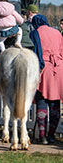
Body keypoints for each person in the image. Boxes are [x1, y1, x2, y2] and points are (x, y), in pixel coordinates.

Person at [30, 14, 63, 144]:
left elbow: (34, 51)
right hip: (59, 69)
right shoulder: (57, 33)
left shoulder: (35, 33)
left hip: (43, 69)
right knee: (55, 105)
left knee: (41, 102)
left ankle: (42, 136)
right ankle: (51, 135)